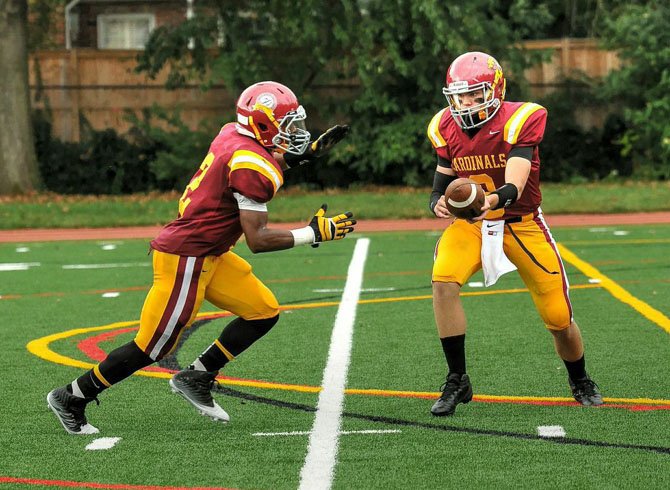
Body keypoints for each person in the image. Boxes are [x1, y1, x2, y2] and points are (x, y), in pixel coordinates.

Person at [46, 81, 356, 434]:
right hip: (186, 258)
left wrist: (301, 156)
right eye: (288, 126)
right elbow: (257, 238)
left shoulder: (232, 134)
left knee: (263, 311)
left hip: (211, 253)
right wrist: (314, 233)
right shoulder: (251, 162)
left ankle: (198, 375)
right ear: (263, 126)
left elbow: (250, 166)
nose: (296, 133)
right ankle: (73, 396)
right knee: (152, 346)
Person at [426, 52, 603, 416]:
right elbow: (443, 177)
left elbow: (514, 186)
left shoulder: (522, 118)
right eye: (461, 95)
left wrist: (490, 199)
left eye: (475, 94)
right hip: (472, 226)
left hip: (520, 223)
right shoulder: (444, 125)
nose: (466, 103)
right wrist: (436, 202)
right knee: (443, 280)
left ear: (496, 90)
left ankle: (580, 378)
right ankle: (457, 379)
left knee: (558, 318)